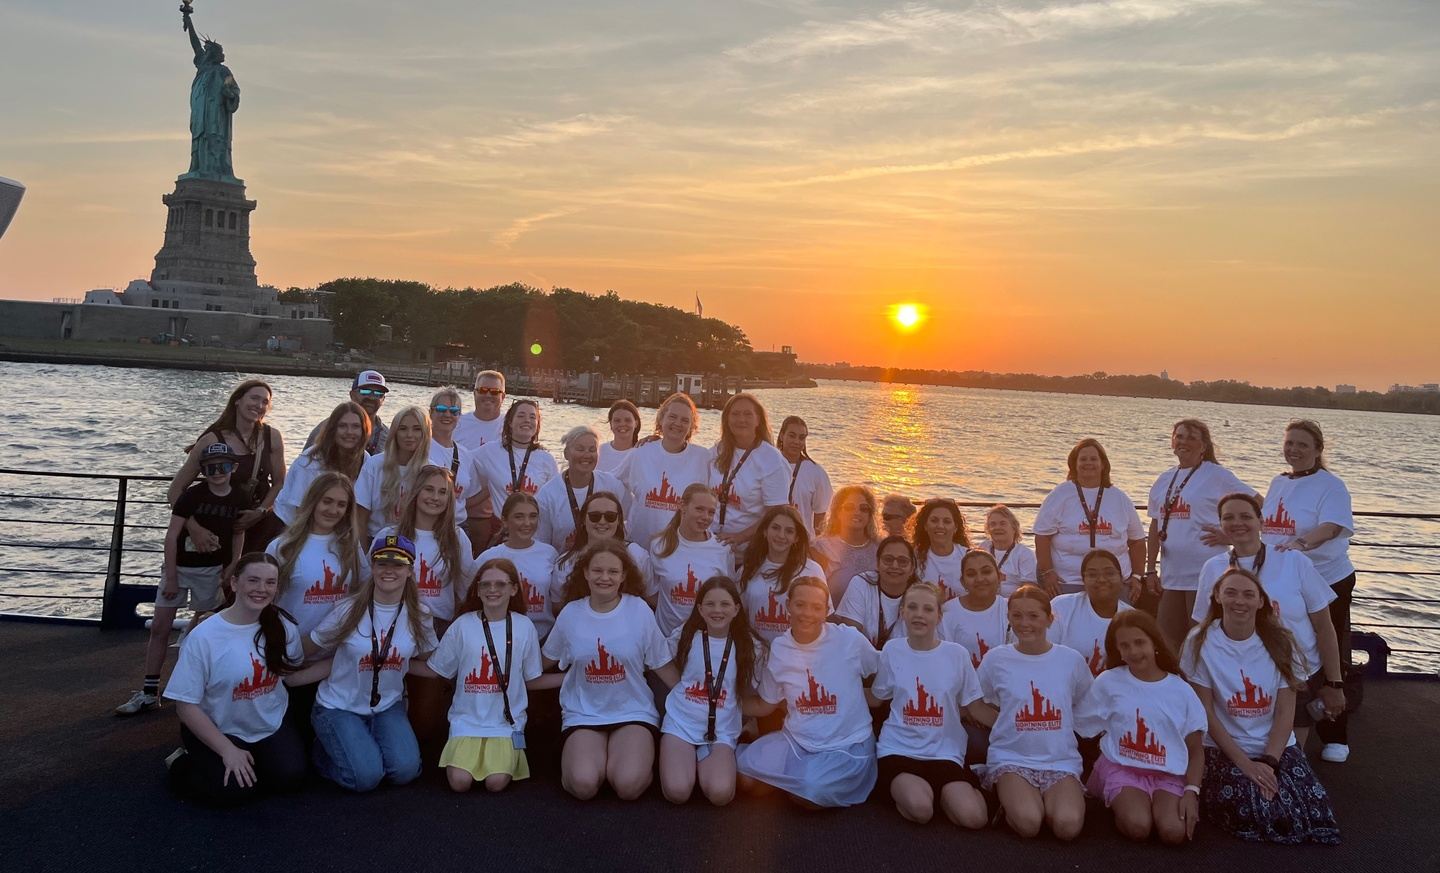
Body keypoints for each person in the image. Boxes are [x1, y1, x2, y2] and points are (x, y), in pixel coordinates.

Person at [1181, 568, 1341, 845]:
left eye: (1248, 594)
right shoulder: (1200, 641)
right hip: (1223, 747)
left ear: (1261, 601)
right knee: (1258, 808)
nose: (1239, 601)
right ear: (1217, 596)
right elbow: (1205, 712)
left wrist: (1269, 762)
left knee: (1311, 810)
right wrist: (1245, 765)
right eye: (1230, 593)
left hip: (1275, 747)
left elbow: (1285, 711)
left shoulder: (1282, 642)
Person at [162, 553, 329, 805]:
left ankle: (252, 760)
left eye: (270, 582)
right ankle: (181, 761)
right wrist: (227, 750)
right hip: (220, 726)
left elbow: (291, 678)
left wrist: (343, 661)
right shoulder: (204, 637)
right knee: (234, 791)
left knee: (290, 778)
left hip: (268, 722)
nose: (261, 589)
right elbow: (185, 706)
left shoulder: (283, 626)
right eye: (253, 580)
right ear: (234, 583)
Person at [1193, 493, 1346, 750]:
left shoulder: (1293, 561)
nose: (1237, 523)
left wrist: (1334, 682)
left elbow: (1324, 626)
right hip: (1236, 679)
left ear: (1261, 521)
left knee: (1290, 754)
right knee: (1242, 756)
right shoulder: (1212, 567)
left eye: (1245, 516)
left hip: (1296, 673)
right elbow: (1202, 627)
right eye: (1228, 518)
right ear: (1220, 524)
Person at [117, 443, 249, 716]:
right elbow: (172, 534)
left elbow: (239, 531)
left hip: (212, 571)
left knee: (206, 628)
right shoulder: (192, 495)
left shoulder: (239, 497)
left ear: (233, 467)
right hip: (179, 567)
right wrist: (172, 576)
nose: (217, 472)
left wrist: (234, 563)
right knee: (160, 627)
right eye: (210, 468)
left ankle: (198, 689)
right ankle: (149, 691)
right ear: (202, 470)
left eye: (223, 466)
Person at [542, 541, 679, 801]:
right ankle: (589, 763)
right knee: (583, 785)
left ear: (624, 575)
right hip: (583, 714)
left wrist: (697, 697)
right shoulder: (571, 614)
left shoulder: (639, 610)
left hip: (632, 712)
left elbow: (662, 665)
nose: (604, 577)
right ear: (585, 572)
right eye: (597, 570)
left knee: (628, 786)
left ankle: (623, 763)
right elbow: (542, 662)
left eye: (613, 571)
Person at [306, 534, 439, 792]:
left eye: (398, 564)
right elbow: (310, 647)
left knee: (405, 771)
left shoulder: (419, 615)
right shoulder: (348, 609)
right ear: (373, 568)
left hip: (387, 705)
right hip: (340, 706)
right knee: (366, 778)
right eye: (382, 563)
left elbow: (429, 661)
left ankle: (361, 743)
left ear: (410, 571)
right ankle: (324, 751)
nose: (389, 570)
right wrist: (283, 669)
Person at [1261, 419, 1356, 764]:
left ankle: (1334, 731)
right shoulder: (1278, 482)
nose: (1294, 450)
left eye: (1302, 444)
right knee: (1286, 647)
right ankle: (1279, 721)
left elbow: (1331, 527)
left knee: (1329, 652)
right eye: (1290, 443)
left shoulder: (1331, 486)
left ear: (1318, 449)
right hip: (1285, 580)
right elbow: (1267, 526)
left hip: (1327, 578)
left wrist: (1301, 543)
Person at [738, 576, 879, 808]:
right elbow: (765, 704)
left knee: (807, 792)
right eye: (800, 605)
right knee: (745, 779)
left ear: (826, 611)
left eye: (816, 607)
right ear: (788, 606)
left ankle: (796, 781)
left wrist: (871, 696)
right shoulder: (780, 648)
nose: (807, 613)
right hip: (797, 740)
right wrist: (721, 702)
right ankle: (791, 775)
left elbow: (882, 670)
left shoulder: (849, 640)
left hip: (846, 744)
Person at [1075, 611, 1205, 844]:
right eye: (1125, 646)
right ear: (1117, 650)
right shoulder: (1109, 681)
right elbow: (1081, 725)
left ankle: (1154, 803)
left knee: (1173, 832)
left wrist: (1192, 791)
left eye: (1139, 642)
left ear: (1154, 642)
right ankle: (1115, 796)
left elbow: (1195, 749)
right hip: (1123, 767)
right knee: (1138, 826)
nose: (1133, 651)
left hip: (1167, 772)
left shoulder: (1180, 690)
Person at [870, 583, 993, 828]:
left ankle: (946, 794)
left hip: (945, 752)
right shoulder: (892, 650)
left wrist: (1018, 728)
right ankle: (922, 795)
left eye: (928, 609)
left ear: (938, 616)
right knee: (921, 810)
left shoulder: (957, 655)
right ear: (903, 612)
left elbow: (976, 708)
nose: (919, 615)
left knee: (975, 819)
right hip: (899, 750)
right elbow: (876, 698)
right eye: (912, 607)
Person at [427, 558, 555, 793]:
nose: (492, 589)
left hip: (505, 724)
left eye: (500, 584)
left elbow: (532, 679)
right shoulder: (462, 625)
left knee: (495, 783)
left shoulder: (524, 626)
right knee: (459, 783)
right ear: (477, 590)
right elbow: (437, 670)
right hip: (466, 722)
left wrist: (571, 677)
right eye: (485, 584)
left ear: (513, 589)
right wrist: (399, 665)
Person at [976, 585, 1094, 841]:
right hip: (1012, 757)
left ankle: (1047, 800)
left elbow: (1086, 704)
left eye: (1033, 616)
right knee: (1029, 824)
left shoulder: (1071, 660)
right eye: (1017, 616)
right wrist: (1002, 723)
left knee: (1067, 827)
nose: (1024, 623)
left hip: (1060, 759)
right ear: (1009, 618)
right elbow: (974, 702)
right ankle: (1007, 802)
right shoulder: (996, 659)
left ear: (1049, 619)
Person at [1143, 419, 1256, 649]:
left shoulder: (1217, 475)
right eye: (1179, 436)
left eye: (1191, 438)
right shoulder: (1164, 479)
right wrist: (1151, 569)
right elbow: (1155, 525)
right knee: (1168, 640)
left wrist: (1232, 538)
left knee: (1201, 640)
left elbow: (1259, 506)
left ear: (1203, 446)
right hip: (1171, 575)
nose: (1183, 442)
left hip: (1205, 573)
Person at [659, 575, 761, 806]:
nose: (717, 610)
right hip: (681, 724)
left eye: (725, 604)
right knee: (677, 792)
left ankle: (707, 762)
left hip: (722, 730)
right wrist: (678, 686)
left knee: (720, 794)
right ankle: (684, 761)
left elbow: (763, 687)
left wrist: (749, 715)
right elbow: (658, 659)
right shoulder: (686, 635)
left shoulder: (749, 645)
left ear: (736, 609)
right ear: (700, 609)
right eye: (710, 604)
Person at [168, 379, 286, 553]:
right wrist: (195, 529)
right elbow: (175, 491)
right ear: (237, 400)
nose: (259, 405)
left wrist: (260, 512)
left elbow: (280, 483)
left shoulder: (272, 437)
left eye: (265, 402)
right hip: (217, 525)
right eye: (254, 398)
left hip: (259, 526)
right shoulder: (211, 440)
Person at [1033, 438, 1145, 595]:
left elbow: (1137, 541)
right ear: (1074, 464)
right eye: (1083, 459)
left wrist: (1137, 576)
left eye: (1093, 459)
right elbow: (1042, 537)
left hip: (1114, 582)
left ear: (1103, 464)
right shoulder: (1059, 495)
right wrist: (1048, 572)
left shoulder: (1120, 498)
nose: (1088, 463)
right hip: (1068, 581)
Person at [266, 472, 367, 640]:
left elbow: (364, 588)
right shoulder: (282, 546)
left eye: (341, 504)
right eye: (327, 501)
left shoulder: (350, 546)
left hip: (336, 647)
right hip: (289, 644)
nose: (333, 510)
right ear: (313, 501)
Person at [614, 392, 712, 548]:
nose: (678, 423)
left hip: (679, 549)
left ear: (691, 427)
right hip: (639, 546)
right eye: (672, 417)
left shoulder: (703, 457)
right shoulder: (640, 453)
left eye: (685, 420)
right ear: (661, 419)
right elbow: (610, 482)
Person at [550, 491, 650, 638]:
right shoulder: (564, 563)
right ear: (583, 520)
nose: (602, 522)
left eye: (610, 516)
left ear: (619, 520)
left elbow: (650, 597)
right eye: (595, 516)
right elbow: (558, 607)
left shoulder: (637, 555)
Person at [390, 465, 475, 634]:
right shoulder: (390, 535)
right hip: (395, 623)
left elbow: (467, 590)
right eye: (429, 489)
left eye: (443, 492)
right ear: (416, 492)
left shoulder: (457, 538)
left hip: (439, 626)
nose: (435, 497)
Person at [646, 483, 732, 637]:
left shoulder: (722, 549)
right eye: (699, 509)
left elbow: (729, 596)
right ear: (682, 506)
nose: (705, 517)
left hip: (704, 639)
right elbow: (652, 592)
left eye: (711, 512)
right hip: (665, 638)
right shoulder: (659, 545)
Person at [708, 392, 790, 551]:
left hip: (748, 549)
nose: (741, 419)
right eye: (735, 414)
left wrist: (739, 538)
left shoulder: (772, 460)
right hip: (713, 543)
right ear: (727, 419)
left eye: (747, 414)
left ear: (758, 419)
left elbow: (775, 513)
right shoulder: (717, 450)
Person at [737, 505, 828, 645]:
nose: (781, 535)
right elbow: (739, 616)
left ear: (797, 537)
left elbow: (823, 619)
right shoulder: (748, 570)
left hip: (798, 652)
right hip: (756, 650)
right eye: (775, 528)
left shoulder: (812, 570)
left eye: (789, 531)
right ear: (765, 531)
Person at [272, 402, 370, 527]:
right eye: (342, 426)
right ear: (332, 429)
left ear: (364, 430)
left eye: (356, 426)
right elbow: (299, 510)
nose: (349, 432)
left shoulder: (365, 459)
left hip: (333, 525)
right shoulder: (310, 461)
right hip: (289, 525)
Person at [474, 399, 560, 538]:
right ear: (510, 422)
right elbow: (461, 460)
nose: (527, 420)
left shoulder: (547, 459)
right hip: (500, 533)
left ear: (537, 424)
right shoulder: (490, 451)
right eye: (521, 416)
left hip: (535, 533)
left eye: (532, 417)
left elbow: (555, 501)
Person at [479, 493, 559, 639]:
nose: (527, 523)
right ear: (505, 520)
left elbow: (556, 598)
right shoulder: (489, 557)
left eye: (533, 516)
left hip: (543, 636)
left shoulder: (550, 553)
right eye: (519, 517)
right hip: (503, 638)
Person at [537, 425, 623, 552]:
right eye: (580, 449)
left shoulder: (611, 485)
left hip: (604, 560)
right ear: (566, 454)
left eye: (592, 450)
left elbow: (622, 528)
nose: (586, 455)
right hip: (563, 561)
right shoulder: (548, 494)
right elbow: (542, 543)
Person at [1050, 549, 1135, 677]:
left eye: (1109, 573)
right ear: (1083, 581)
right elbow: (1044, 656)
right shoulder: (1061, 606)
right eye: (1092, 574)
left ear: (1121, 578)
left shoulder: (1132, 618)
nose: (1101, 579)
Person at [354, 406, 431, 540]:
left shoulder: (430, 470)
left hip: (414, 543)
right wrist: (365, 552)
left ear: (425, 433)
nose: (409, 435)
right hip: (375, 541)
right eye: (403, 429)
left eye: (417, 429)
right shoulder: (374, 465)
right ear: (394, 432)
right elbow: (360, 519)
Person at [836, 536, 919, 648]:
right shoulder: (861, 583)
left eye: (902, 561)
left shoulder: (920, 596)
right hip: (862, 656)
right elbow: (850, 638)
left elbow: (921, 643)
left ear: (912, 568)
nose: (895, 566)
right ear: (878, 564)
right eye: (888, 559)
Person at [938, 549, 1010, 670]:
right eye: (971, 574)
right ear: (962, 582)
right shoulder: (947, 612)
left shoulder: (1011, 609)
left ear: (999, 576)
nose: (980, 579)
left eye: (986, 572)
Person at [427, 388, 484, 529]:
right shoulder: (420, 447)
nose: (447, 414)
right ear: (431, 412)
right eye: (441, 409)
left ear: (459, 416)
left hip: (457, 526)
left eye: (454, 411)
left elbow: (467, 498)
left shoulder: (465, 455)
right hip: (426, 524)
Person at [813, 485, 880, 603]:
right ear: (838, 512)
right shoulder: (821, 548)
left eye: (864, 508)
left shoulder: (880, 548)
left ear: (870, 515)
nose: (857, 512)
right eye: (849, 507)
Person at [305, 370, 389, 456]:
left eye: (378, 393)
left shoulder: (388, 436)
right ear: (352, 395)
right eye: (365, 391)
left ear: (383, 399)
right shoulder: (326, 428)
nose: (371, 397)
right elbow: (306, 460)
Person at [777, 415, 833, 536]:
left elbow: (820, 517)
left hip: (802, 540)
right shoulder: (768, 465)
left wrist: (816, 544)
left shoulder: (816, 472)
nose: (796, 442)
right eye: (792, 436)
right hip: (770, 539)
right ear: (782, 435)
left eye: (801, 438)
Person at [913, 498, 973, 601]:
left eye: (947, 521)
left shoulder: (968, 556)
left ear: (955, 527)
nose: (940, 526)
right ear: (925, 526)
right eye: (934, 520)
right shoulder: (914, 557)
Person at [979, 505, 1037, 597]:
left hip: (1012, 601)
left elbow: (1029, 587)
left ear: (1014, 528)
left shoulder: (1024, 554)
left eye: (1003, 523)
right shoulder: (983, 547)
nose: (997, 527)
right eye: (993, 524)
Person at [454, 369, 507, 451]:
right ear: (475, 393)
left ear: (502, 397)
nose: (488, 395)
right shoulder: (457, 424)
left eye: (495, 392)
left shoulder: (511, 427)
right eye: (483, 390)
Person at [596, 399, 641, 475]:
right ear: (611, 424)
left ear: (636, 423)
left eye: (627, 420)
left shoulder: (642, 453)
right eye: (617, 420)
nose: (622, 424)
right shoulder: (599, 451)